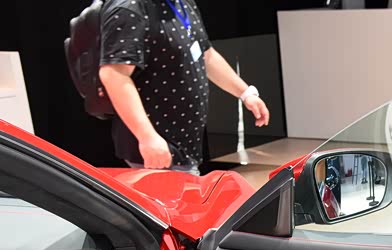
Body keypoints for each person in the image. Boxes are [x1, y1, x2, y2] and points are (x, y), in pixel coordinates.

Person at [98, 0, 269, 173]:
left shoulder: (183, 3)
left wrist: (245, 93)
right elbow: (114, 75)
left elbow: (206, 54)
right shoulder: (130, 8)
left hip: (184, 148)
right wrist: (148, 138)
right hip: (157, 151)